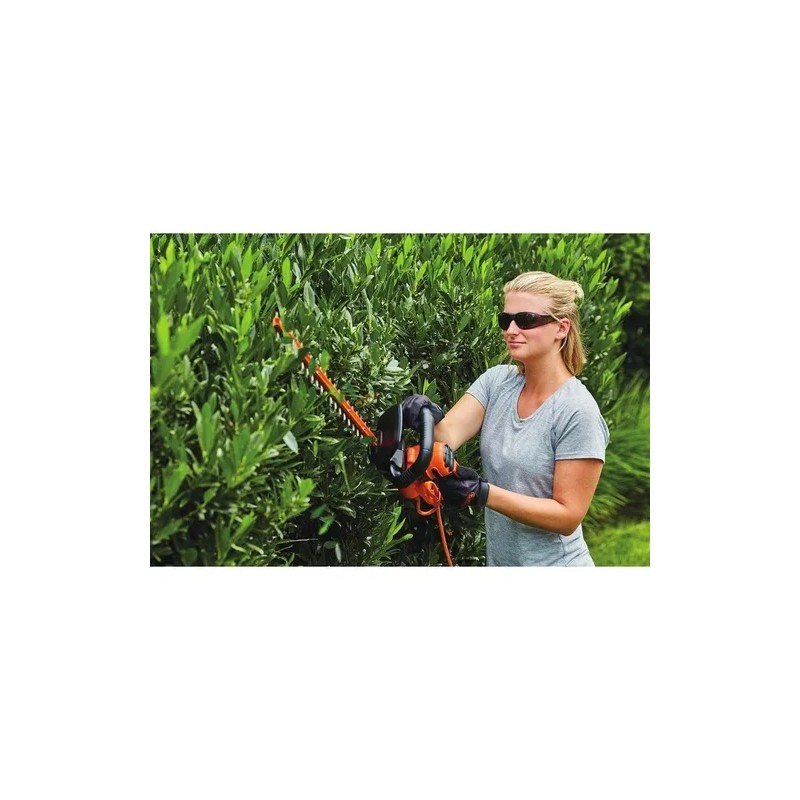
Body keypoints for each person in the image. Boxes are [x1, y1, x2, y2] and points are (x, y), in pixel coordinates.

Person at [401, 271, 610, 566]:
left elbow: (567, 516)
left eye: (526, 320)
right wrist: (423, 415)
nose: (511, 330)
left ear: (561, 328)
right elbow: (443, 439)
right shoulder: (496, 382)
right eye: (505, 320)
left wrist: (483, 493)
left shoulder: (577, 411)